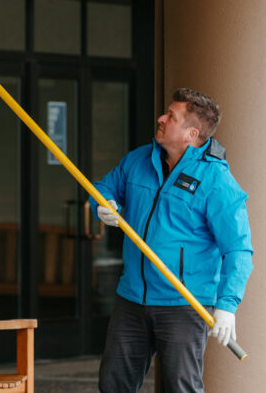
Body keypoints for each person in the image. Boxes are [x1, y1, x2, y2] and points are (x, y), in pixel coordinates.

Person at [93, 87, 253, 393]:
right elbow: (104, 187)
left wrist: (227, 305)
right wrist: (102, 203)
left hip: (183, 304)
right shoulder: (138, 160)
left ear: (191, 134)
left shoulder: (216, 181)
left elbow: (238, 250)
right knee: (113, 385)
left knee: (180, 388)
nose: (161, 118)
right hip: (132, 298)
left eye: (171, 116)